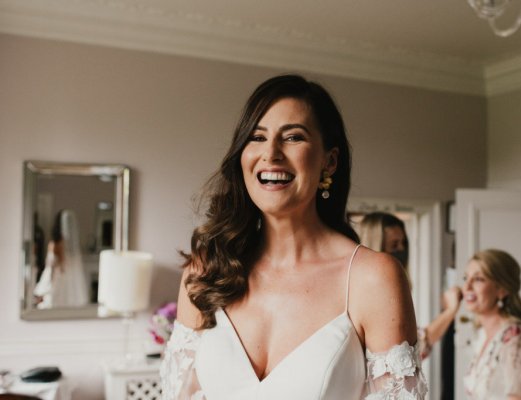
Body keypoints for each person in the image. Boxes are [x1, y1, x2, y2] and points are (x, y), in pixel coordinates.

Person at [160, 75, 428, 400]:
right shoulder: (206, 270)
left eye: (293, 137)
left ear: (329, 161)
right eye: (256, 137)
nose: (270, 153)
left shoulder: (371, 278)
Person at [436, 249, 521, 400]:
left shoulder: (516, 337)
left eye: (478, 279)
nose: (466, 287)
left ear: (502, 289)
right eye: (466, 278)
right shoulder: (483, 335)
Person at [356, 211, 459, 359]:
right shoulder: (370, 294)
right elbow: (410, 350)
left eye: (403, 244)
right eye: (394, 245)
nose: (401, 251)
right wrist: (450, 311)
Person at [33, 209, 89, 308]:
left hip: (57, 283)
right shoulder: (73, 248)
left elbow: (50, 269)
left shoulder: (54, 245)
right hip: (67, 286)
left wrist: (42, 289)